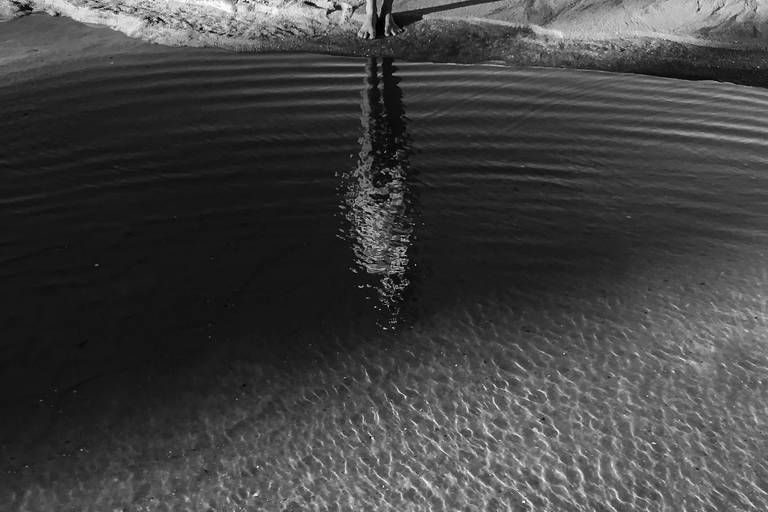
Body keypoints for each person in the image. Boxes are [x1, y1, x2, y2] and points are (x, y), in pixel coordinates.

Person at [339, 58, 417, 329]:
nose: (396, 282)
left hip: (375, 185)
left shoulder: (379, 261)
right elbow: (396, 216)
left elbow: (362, 218)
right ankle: (376, 69)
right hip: (377, 185)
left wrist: (359, 189)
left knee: (379, 122)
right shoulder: (387, 261)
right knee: (382, 122)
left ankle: (374, 68)